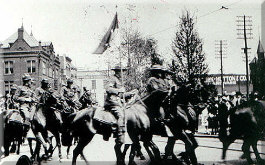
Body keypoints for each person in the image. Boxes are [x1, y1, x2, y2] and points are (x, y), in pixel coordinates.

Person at [104, 65, 128, 143]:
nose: (122, 73)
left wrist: (129, 93)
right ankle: (120, 135)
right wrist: (119, 90)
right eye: (121, 71)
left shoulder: (120, 81)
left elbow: (122, 94)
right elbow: (108, 89)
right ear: (117, 72)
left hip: (119, 101)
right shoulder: (112, 78)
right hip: (112, 101)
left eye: (123, 71)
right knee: (121, 115)